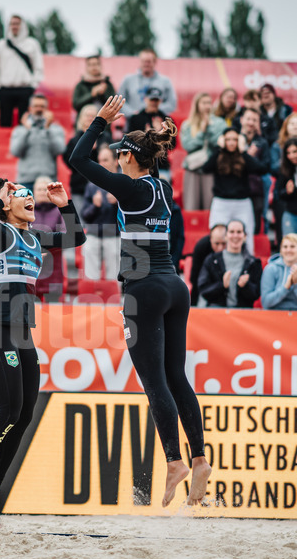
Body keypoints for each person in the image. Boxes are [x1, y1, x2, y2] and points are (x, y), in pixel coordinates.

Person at [69, 95, 211, 508]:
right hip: (174, 287)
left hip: (143, 288)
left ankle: (174, 462)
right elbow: (142, 167)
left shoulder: (130, 189)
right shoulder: (162, 187)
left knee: (154, 382)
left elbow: (78, 159)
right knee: (177, 377)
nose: (115, 160)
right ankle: (199, 458)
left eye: (119, 155)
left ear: (130, 157)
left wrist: (99, 121)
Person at [0, 176, 85, 525]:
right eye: (22, 196)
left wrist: (65, 206)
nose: (31, 200)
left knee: (24, 415)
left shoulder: (33, 236)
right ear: (6, 205)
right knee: (7, 413)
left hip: (23, 334)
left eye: (31, 196)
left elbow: (76, 237)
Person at [202, 126, 268, 251]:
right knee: (218, 235)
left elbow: (261, 169)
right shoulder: (219, 155)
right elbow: (205, 168)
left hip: (242, 203)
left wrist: (243, 151)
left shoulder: (243, 156)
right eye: (228, 139)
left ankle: (248, 261)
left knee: (247, 236)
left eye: (234, 139)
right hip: (221, 202)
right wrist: (219, 148)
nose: (231, 143)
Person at [0, 15, 44, 128]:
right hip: (5, 89)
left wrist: (33, 84)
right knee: (5, 123)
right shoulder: (1, 45)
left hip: (25, 89)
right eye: (12, 24)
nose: (14, 26)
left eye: (17, 24)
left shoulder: (32, 44)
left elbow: (38, 66)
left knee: (25, 123)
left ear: (23, 26)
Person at [198, 219, 262, 308]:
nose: (235, 235)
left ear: (244, 236)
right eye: (232, 232)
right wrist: (222, 285)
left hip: (243, 313)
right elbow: (203, 290)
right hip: (216, 312)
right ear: (226, 236)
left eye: (239, 232)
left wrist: (246, 286)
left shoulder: (254, 263)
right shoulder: (211, 260)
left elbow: (256, 294)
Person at [180, 92, 226, 211]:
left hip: (210, 169)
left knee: (210, 207)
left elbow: (219, 143)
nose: (207, 106)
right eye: (204, 103)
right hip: (193, 168)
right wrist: (202, 132)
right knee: (191, 206)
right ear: (197, 105)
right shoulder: (187, 124)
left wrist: (208, 129)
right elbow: (188, 145)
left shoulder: (219, 123)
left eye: (209, 103)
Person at [80, 146, 120, 281]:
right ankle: (91, 293)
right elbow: (85, 215)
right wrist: (95, 207)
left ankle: (114, 293)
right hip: (93, 234)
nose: (101, 164)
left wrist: (117, 203)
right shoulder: (92, 185)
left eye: (105, 160)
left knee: (114, 277)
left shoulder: (123, 182)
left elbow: (131, 215)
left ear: (116, 161)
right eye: (100, 160)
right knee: (90, 273)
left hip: (114, 235)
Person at [63, 104, 109, 213]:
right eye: (87, 116)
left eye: (93, 116)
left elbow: (109, 161)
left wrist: (96, 151)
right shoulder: (74, 140)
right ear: (81, 118)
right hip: (79, 186)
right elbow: (69, 161)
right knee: (79, 217)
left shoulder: (105, 138)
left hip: (102, 186)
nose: (90, 118)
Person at [11, 94, 65, 185]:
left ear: (47, 109)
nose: (39, 109)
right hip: (25, 180)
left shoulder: (55, 129)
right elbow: (15, 152)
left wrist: (48, 129)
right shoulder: (20, 129)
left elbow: (60, 150)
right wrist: (27, 131)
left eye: (42, 106)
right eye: (36, 106)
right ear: (30, 108)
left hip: (48, 179)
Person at [260, 233, 297, 311]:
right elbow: (266, 302)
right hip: (275, 314)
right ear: (281, 250)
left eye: (292, 246)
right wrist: (285, 287)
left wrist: (296, 283)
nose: (288, 250)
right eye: (285, 247)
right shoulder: (270, 268)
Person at [127, 88, 174, 179]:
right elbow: (129, 142)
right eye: (152, 100)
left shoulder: (166, 119)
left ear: (160, 101)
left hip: (161, 165)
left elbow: (172, 145)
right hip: (139, 164)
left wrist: (160, 132)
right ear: (145, 99)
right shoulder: (136, 119)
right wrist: (147, 136)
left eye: (156, 100)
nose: (154, 103)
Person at [118, 49, 177, 117]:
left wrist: (154, 109)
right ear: (140, 61)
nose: (146, 64)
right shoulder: (128, 80)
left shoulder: (165, 81)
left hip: (157, 121)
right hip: (133, 121)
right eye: (143, 61)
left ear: (155, 62)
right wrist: (133, 113)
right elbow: (119, 102)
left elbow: (171, 104)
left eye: (148, 62)